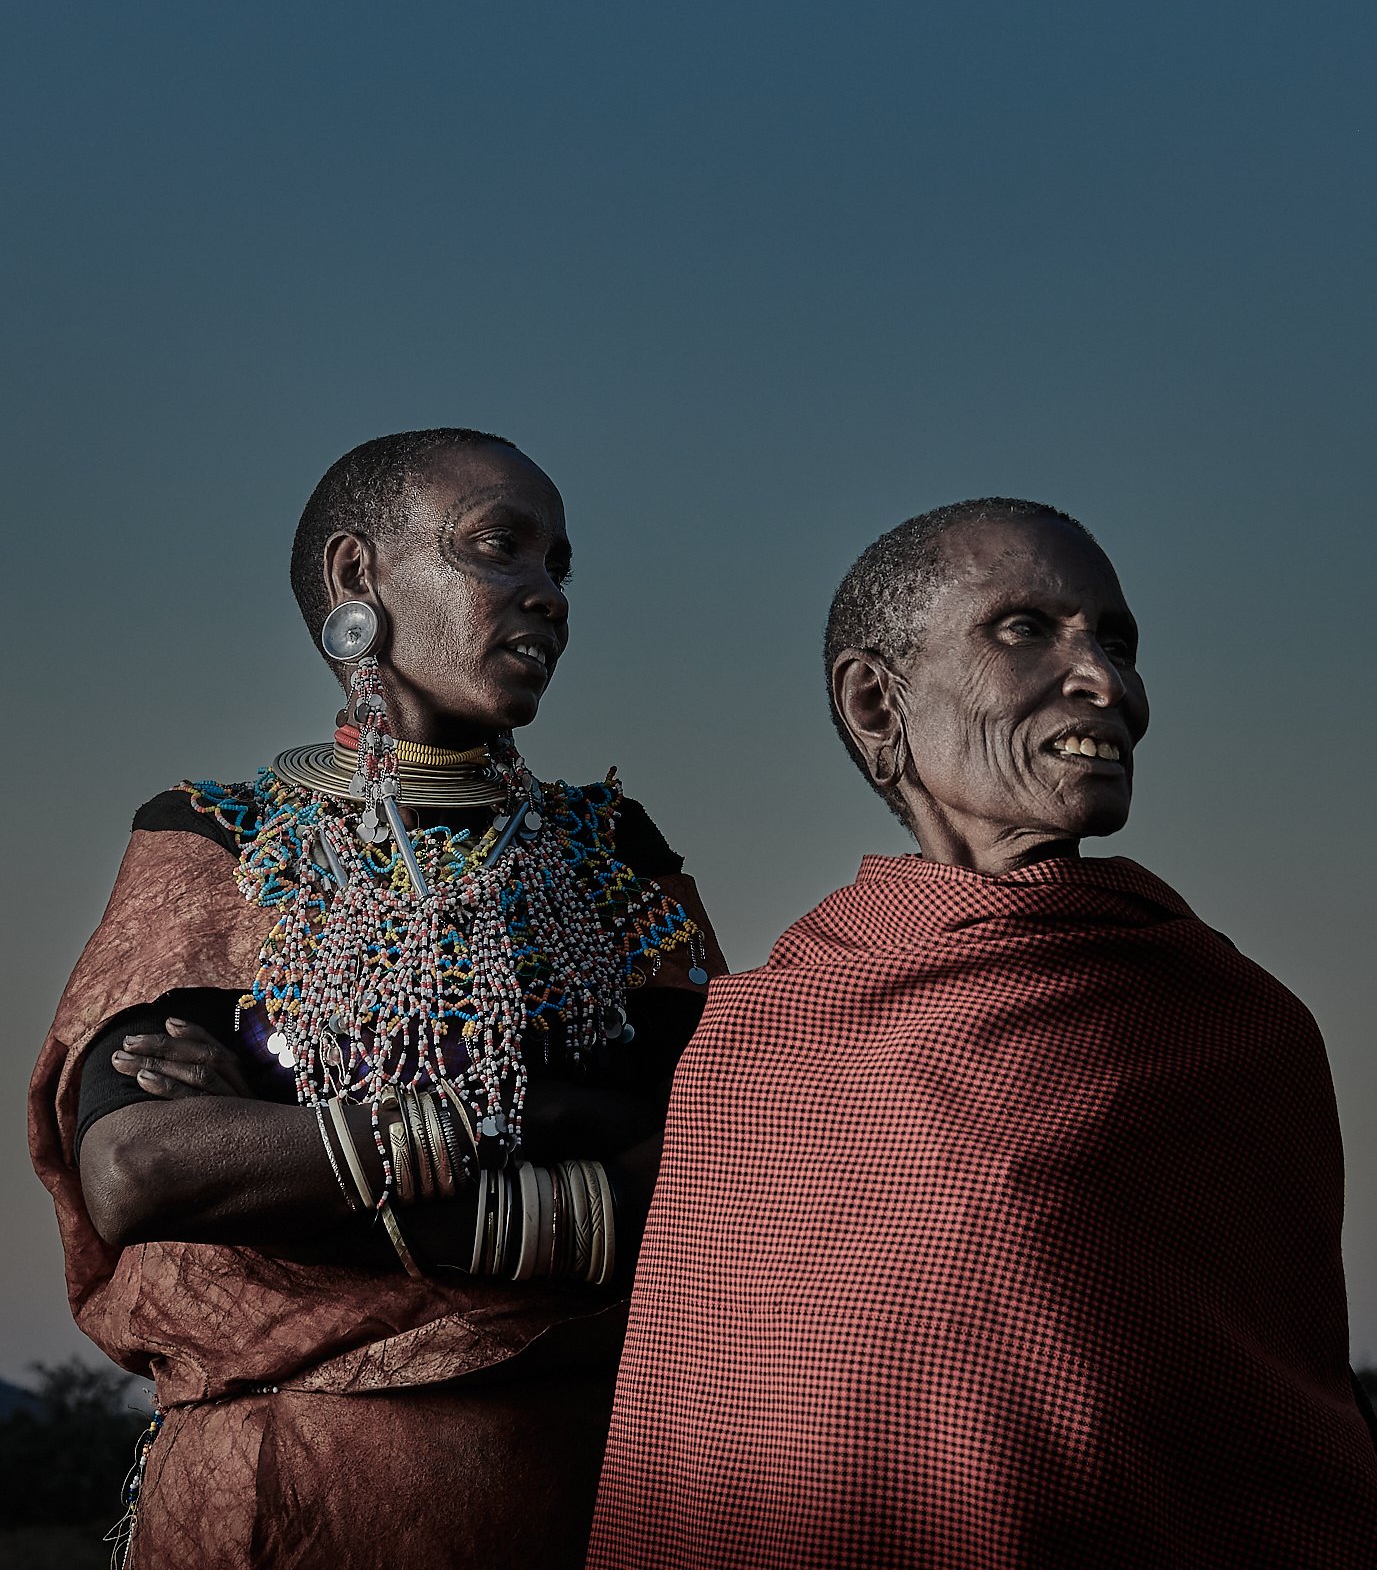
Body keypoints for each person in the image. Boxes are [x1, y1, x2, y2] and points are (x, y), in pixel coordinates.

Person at [588, 497, 1377, 1569]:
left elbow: (1265, 1434)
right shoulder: (759, 1033)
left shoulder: (1236, 1027)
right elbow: (702, 1422)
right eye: (1026, 628)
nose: (1110, 682)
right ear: (875, 699)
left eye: (1120, 640)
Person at [29, 427, 725, 1570]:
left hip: (578, 1481)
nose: (546, 595)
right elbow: (137, 1167)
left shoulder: (614, 854)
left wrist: (299, 1140)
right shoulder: (218, 834)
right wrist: (553, 1126)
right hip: (280, 1491)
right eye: (500, 547)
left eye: (560, 566)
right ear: (359, 577)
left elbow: (715, 1165)